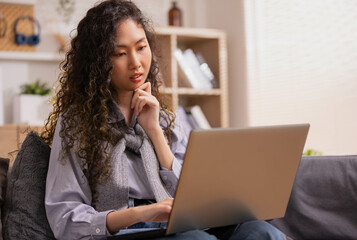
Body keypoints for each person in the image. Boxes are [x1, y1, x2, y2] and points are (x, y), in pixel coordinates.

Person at [42, 0, 286, 239]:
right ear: (98, 62)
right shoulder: (76, 124)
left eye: (141, 47)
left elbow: (195, 196)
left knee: (263, 232)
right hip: (130, 229)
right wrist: (140, 213)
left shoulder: (167, 118)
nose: (136, 63)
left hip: (183, 223)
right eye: (120, 53)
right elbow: (65, 217)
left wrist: (154, 131)